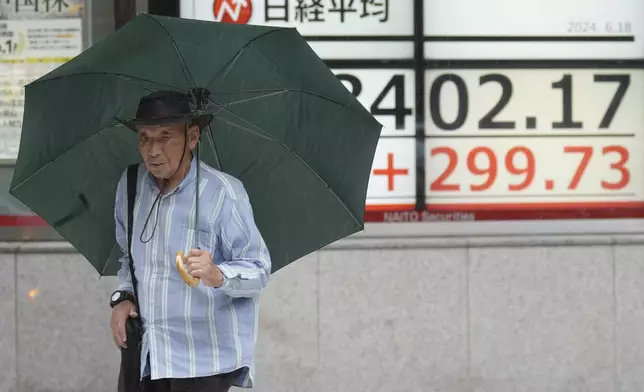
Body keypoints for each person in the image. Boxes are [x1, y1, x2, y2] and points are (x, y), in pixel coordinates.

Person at [108, 90, 271, 392]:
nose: (152, 150)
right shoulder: (130, 186)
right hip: (148, 355)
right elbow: (127, 258)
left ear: (193, 136)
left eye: (165, 136)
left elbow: (259, 270)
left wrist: (217, 274)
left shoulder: (224, 193)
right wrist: (123, 298)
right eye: (144, 137)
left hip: (204, 361)